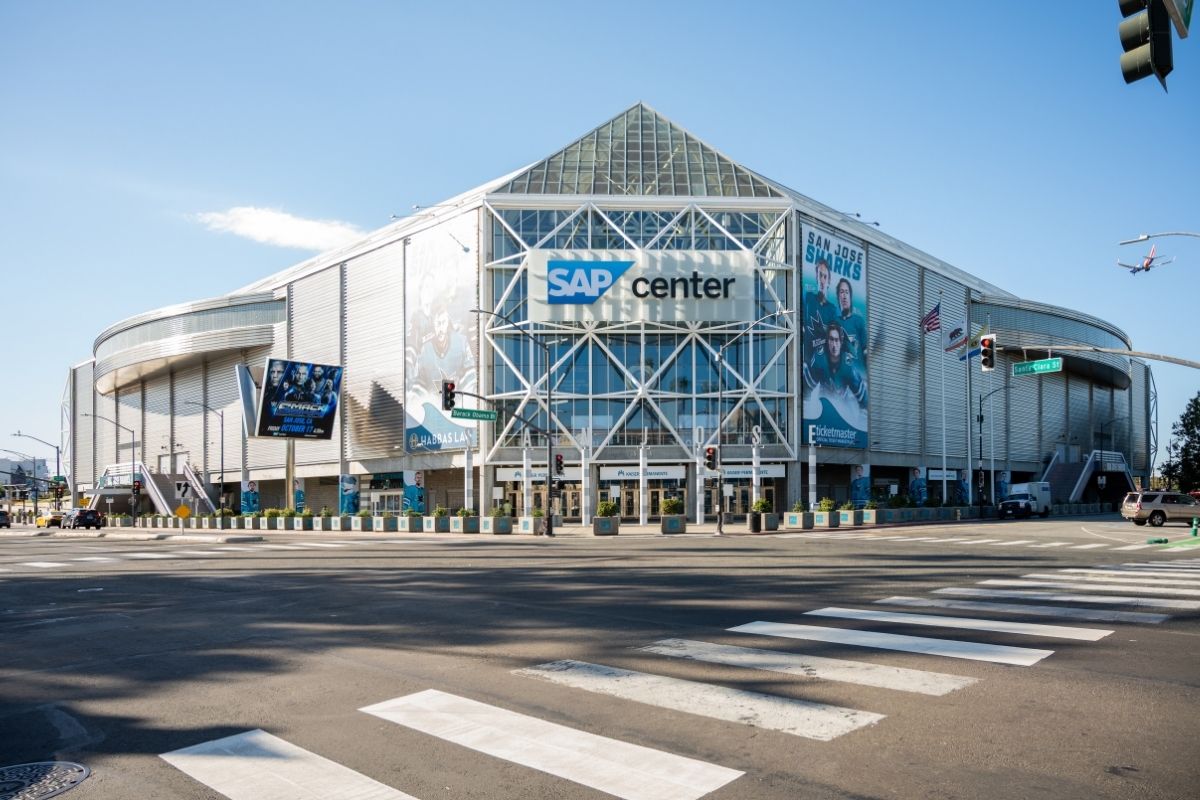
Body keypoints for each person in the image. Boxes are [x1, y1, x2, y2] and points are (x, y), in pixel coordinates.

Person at [802, 320, 867, 407]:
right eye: (831, 339)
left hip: (843, 408)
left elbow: (863, 399)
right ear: (827, 341)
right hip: (823, 406)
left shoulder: (848, 367)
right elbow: (806, 389)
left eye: (836, 340)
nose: (834, 345)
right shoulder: (820, 360)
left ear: (841, 342)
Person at [803, 258, 838, 362]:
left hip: (823, 362)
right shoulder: (808, 298)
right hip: (805, 360)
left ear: (829, 281)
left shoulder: (832, 310)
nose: (822, 280)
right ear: (816, 277)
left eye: (825, 277)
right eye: (820, 275)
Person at [835, 278, 868, 367]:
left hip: (859, 372)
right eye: (841, 292)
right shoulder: (834, 322)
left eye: (847, 292)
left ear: (850, 296)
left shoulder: (859, 321)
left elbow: (866, 350)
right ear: (838, 297)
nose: (844, 296)